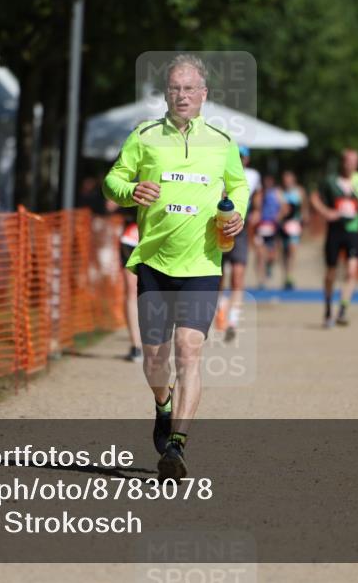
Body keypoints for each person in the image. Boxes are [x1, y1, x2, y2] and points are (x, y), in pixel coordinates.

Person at [102, 54, 248, 480]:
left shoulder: (222, 142)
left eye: (190, 89)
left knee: (189, 350)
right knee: (155, 358)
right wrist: (131, 189)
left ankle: (177, 447)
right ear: (166, 94)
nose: (182, 95)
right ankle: (162, 405)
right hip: (154, 261)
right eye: (175, 88)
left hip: (203, 262)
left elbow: (237, 186)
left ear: (204, 94)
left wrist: (236, 212)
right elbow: (113, 181)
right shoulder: (144, 137)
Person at [310, 148, 358, 328]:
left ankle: (343, 309)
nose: (350, 164)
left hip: (353, 230)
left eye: (354, 161)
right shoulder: (330, 181)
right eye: (347, 161)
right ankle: (328, 308)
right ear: (342, 162)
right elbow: (314, 197)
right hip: (334, 231)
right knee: (331, 273)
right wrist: (326, 212)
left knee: (352, 271)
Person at [218, 145, 261, 342]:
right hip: (219, 229)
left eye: (242, 157)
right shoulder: (219, 172)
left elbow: (257, 197)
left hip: (240, 230)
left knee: (238, 276)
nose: (240, 160)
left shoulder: (253, 176)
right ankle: (220, 311)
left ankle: (233, 321)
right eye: (237, 156)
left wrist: (256, 214)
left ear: (247, 160)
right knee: (219, 278)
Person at [106, 199, 143, 362]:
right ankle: (136, 346)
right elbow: (110, 203)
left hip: (161, 235)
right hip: (132, 237)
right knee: (132, 289)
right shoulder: (133, 174)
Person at [255, 174, 286, 290]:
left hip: (273, 227)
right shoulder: (260, 194)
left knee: (273, 255)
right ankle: (261, 280)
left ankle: (269, 265)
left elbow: (284, 207)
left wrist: (278, 217)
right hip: (261, 227)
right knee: (259, 254)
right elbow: (256, 207)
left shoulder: (277, 193)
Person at [279, 170, 306, 290]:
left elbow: (304, 207)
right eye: (285, 180)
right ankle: (285, 275)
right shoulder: (279, 192)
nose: (287, 182)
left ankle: (290, 276)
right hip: (282, 225)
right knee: (284, 251)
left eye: (289, 179)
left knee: (292, 250)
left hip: (295, 224)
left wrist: (304, 219)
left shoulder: (299, 191)